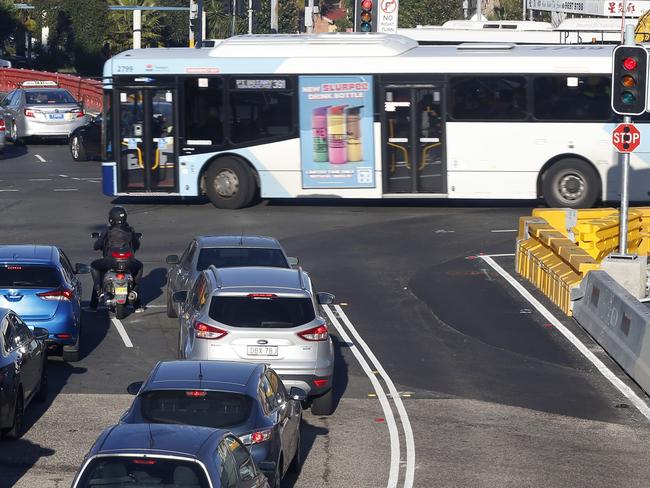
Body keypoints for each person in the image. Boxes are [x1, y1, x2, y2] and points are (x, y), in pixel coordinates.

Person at [90, 206, 144, 312]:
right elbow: (137, 245)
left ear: (111, 218)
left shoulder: (108, 230)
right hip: (128, 262)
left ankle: (97, 296)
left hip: (110, 262)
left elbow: (97, 245)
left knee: (94, 266)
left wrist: (99, 243)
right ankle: (136, 302)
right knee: (139, 267)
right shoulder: (130, 230)